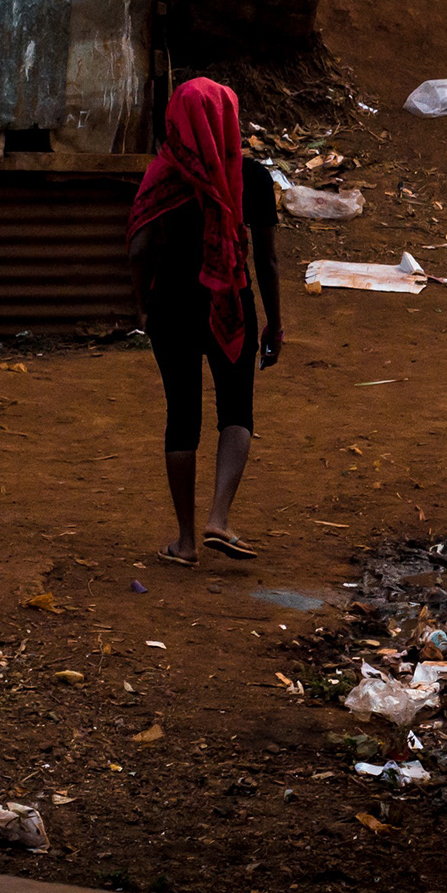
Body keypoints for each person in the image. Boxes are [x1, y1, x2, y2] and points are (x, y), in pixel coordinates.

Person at [127, 77, 283, 567]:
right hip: (232, 302)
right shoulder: (253, 178)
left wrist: (143, 303)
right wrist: (274, 323)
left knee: (182, 415)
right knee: (237, 408)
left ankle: (186, 541)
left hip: (173, 306)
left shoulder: (163, 176)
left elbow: (139, 249)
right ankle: (220, 516)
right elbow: (269, 261)